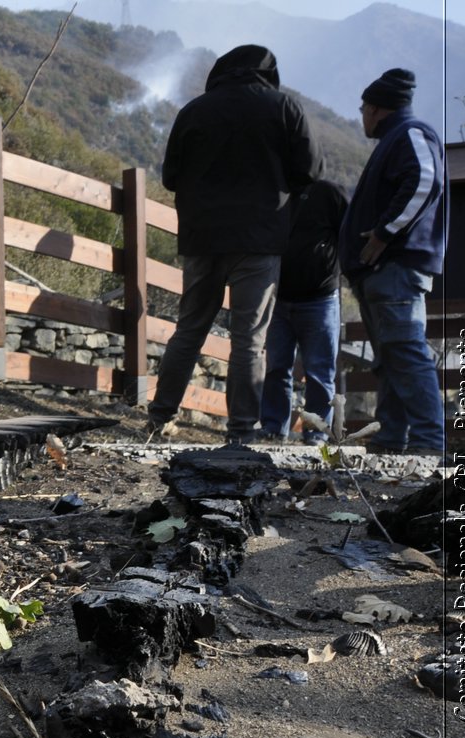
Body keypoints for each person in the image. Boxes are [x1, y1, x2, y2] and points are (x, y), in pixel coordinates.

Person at [146, 44, 320, 444]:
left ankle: (159, 419)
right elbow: (311, 169)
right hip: (258, 239)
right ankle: (241, 431)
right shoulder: (284, 108)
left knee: (189, 329)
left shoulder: (194, 110)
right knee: (249, 339)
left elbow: (170, 176)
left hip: (202, 237)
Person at [340, 68, 448, 455]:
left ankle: (427, 444)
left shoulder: (410, 133)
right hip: (382, 270)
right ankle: (391, 440)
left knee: (404, 350)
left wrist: (386, 233)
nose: (361, 116)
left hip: (396, 268)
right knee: (390, 357)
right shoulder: (398, 137)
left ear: (374, 108)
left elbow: (425, 181)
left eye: (362, 108)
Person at [261, 179, 349, 444]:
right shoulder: (274, 190)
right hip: (278, 295)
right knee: (276, 367)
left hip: (320, 297)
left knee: (320, 371)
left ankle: (317, 435)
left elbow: (349, 231)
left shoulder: (329, 192)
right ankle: (274, 429)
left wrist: (337, 271)